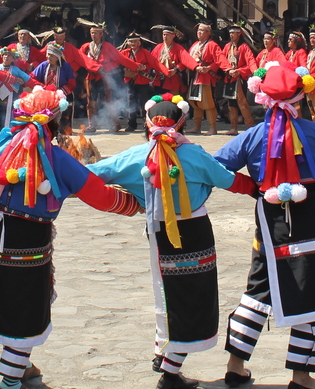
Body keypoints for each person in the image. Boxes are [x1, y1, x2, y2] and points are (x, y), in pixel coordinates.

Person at [0, 88, 141, 389]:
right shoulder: (57, 158)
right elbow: (98, 195)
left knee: (4, 292)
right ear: (55, 122)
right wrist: (134, 205)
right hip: (28, 234)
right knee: (27, 299)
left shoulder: (0, 144)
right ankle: (10, 380)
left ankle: (21, 366)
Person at [215, 62, 315, 389]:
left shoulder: (252, 136)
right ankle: (301, 376)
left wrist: (248, 186)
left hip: (270, 215)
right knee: (313, 290)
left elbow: (215, 167)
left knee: (260, 286)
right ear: (300, 97)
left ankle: (234, 365)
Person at [89, 94, 256, 389]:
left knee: (165, 291)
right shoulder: (195, 155)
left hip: (158, 232)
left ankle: (162, 351)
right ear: (182, 123)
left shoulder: (135, 157)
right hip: (195, 231)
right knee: (193, 297)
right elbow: (231, 181)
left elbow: (91, 175)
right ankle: (170, 371)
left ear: (148, 124)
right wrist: (260, 189)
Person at [187, 24, 223, 137]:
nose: (199, 32)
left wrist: (209, 68)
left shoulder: (213, 45)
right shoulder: (194, 45)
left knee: (208, 103)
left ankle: (212, 128)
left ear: (208, 33)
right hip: (195, 76)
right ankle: (196, 127)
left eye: (202, 30)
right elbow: (188, 59)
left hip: (206, 78)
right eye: (198, 30)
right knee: (195, 103)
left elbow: (219, 60)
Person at [220, 25, 256, 136]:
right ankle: (233, 128)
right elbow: (222, 59)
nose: (231, 35)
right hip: (230, 77)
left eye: (233, 33)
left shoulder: (244, 47)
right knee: (231, 105)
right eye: (230, 33)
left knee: (243, 104)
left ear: (239, 34)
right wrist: (228, 69)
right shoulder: (227, 46)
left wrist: (241, 71)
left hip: (240, 79)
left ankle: (250, 127)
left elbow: (250, 61)